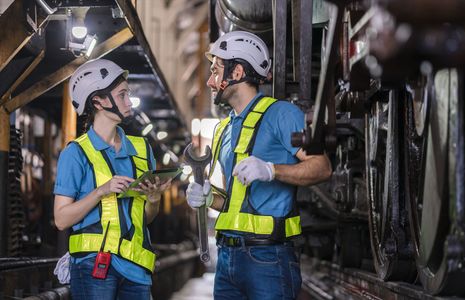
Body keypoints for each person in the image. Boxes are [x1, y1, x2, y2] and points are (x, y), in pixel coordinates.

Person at [186, 31, 332, 299]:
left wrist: (272, 170)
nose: (210, 80)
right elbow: (233, 202)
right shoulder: (223, 130)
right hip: (227, 258)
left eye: (216, 71)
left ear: (238, 71)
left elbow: (321, 167)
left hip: (270, 259)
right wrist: (208, 199)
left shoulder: (282, 114)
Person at [53, 58, 170, 300]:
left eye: (128, 94)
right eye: (122, 95)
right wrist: (100, 191)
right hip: (94, 267)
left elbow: (144, 218)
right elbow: (61, 219)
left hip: (136, 269)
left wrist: (154, 199)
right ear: (98, 101)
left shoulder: (141, 149)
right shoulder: (76, 153)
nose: (129, 102)